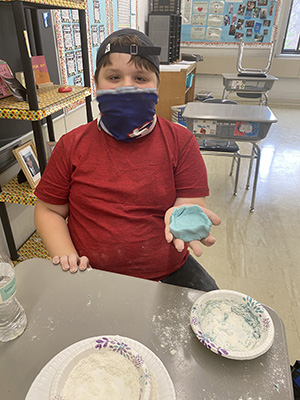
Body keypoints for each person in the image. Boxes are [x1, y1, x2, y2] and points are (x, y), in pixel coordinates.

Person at [34, 28, 221, 291]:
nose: (127, 87)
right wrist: (66, 253)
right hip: (90, 272)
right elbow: (48, 209)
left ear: (158, 84)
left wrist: (183, 216)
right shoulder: (71, 145)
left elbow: (190, 202)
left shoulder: (181, 142)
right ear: (96, 84)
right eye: (114, 77)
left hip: (168, 272)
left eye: (141, 78)